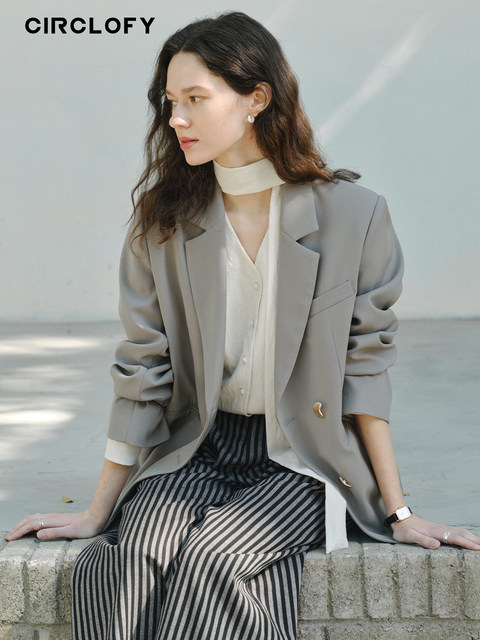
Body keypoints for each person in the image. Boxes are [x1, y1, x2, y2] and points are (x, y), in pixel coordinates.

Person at [6, 11, 480, 640]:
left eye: (195, 99)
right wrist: (98, 511)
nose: (176, 119)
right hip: (196, 446)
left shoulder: (355, 217)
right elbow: (143, 369)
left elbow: (364, 372)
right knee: (129, 555)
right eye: (170, 102)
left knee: (215, 560)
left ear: (257, 98)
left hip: (300, 459)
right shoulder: (164, 221)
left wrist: (398, 512)